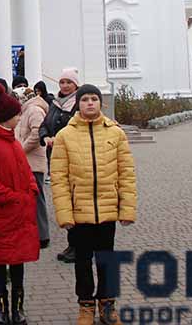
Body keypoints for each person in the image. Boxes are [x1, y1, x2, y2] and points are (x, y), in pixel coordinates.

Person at [50, 84, 136, 325]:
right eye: (85, 99)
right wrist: (65, 214)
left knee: (106, 260)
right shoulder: (65, 136)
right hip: (80, 213)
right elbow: (59, 178)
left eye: (94, 99)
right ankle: (85, 306)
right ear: (78, 103)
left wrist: (126, 208)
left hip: (107, 211)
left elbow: (126, 173)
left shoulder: (115, 133)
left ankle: (107, 305)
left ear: (101, 103)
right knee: (83, 262)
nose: (90, 103)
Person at [0, 83, 39, 325]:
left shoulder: (11, 141)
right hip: (2, 215)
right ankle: (1, 309)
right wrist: (14, 198)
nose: (20, 117)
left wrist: (31, 188)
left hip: (18, 215)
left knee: (18, 265)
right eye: (17, 114)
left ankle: (18, 308)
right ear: (7, 118)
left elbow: (25, 171)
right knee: (1, 266)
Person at [39, 67, 80, 263]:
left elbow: (79, 129)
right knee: (65, 202)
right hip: (56, 157)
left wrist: (61, 139)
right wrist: (45, 136)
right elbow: (45, 124)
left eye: (68, 82)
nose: (64, 85)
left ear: (76, 85)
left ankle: (79, 246)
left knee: (77, 203)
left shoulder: (79, 104)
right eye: (62, 82)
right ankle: (72, 243)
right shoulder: (55, 103)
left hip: (75, 159)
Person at [14, 88, 51, 249]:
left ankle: (43, 236)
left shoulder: (34, 110)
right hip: (26, 161)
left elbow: (36, 134)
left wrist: (20, 150)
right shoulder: (25, 111)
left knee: (37, 199)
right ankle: (33, 233)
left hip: (33, 162)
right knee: (29, 199)